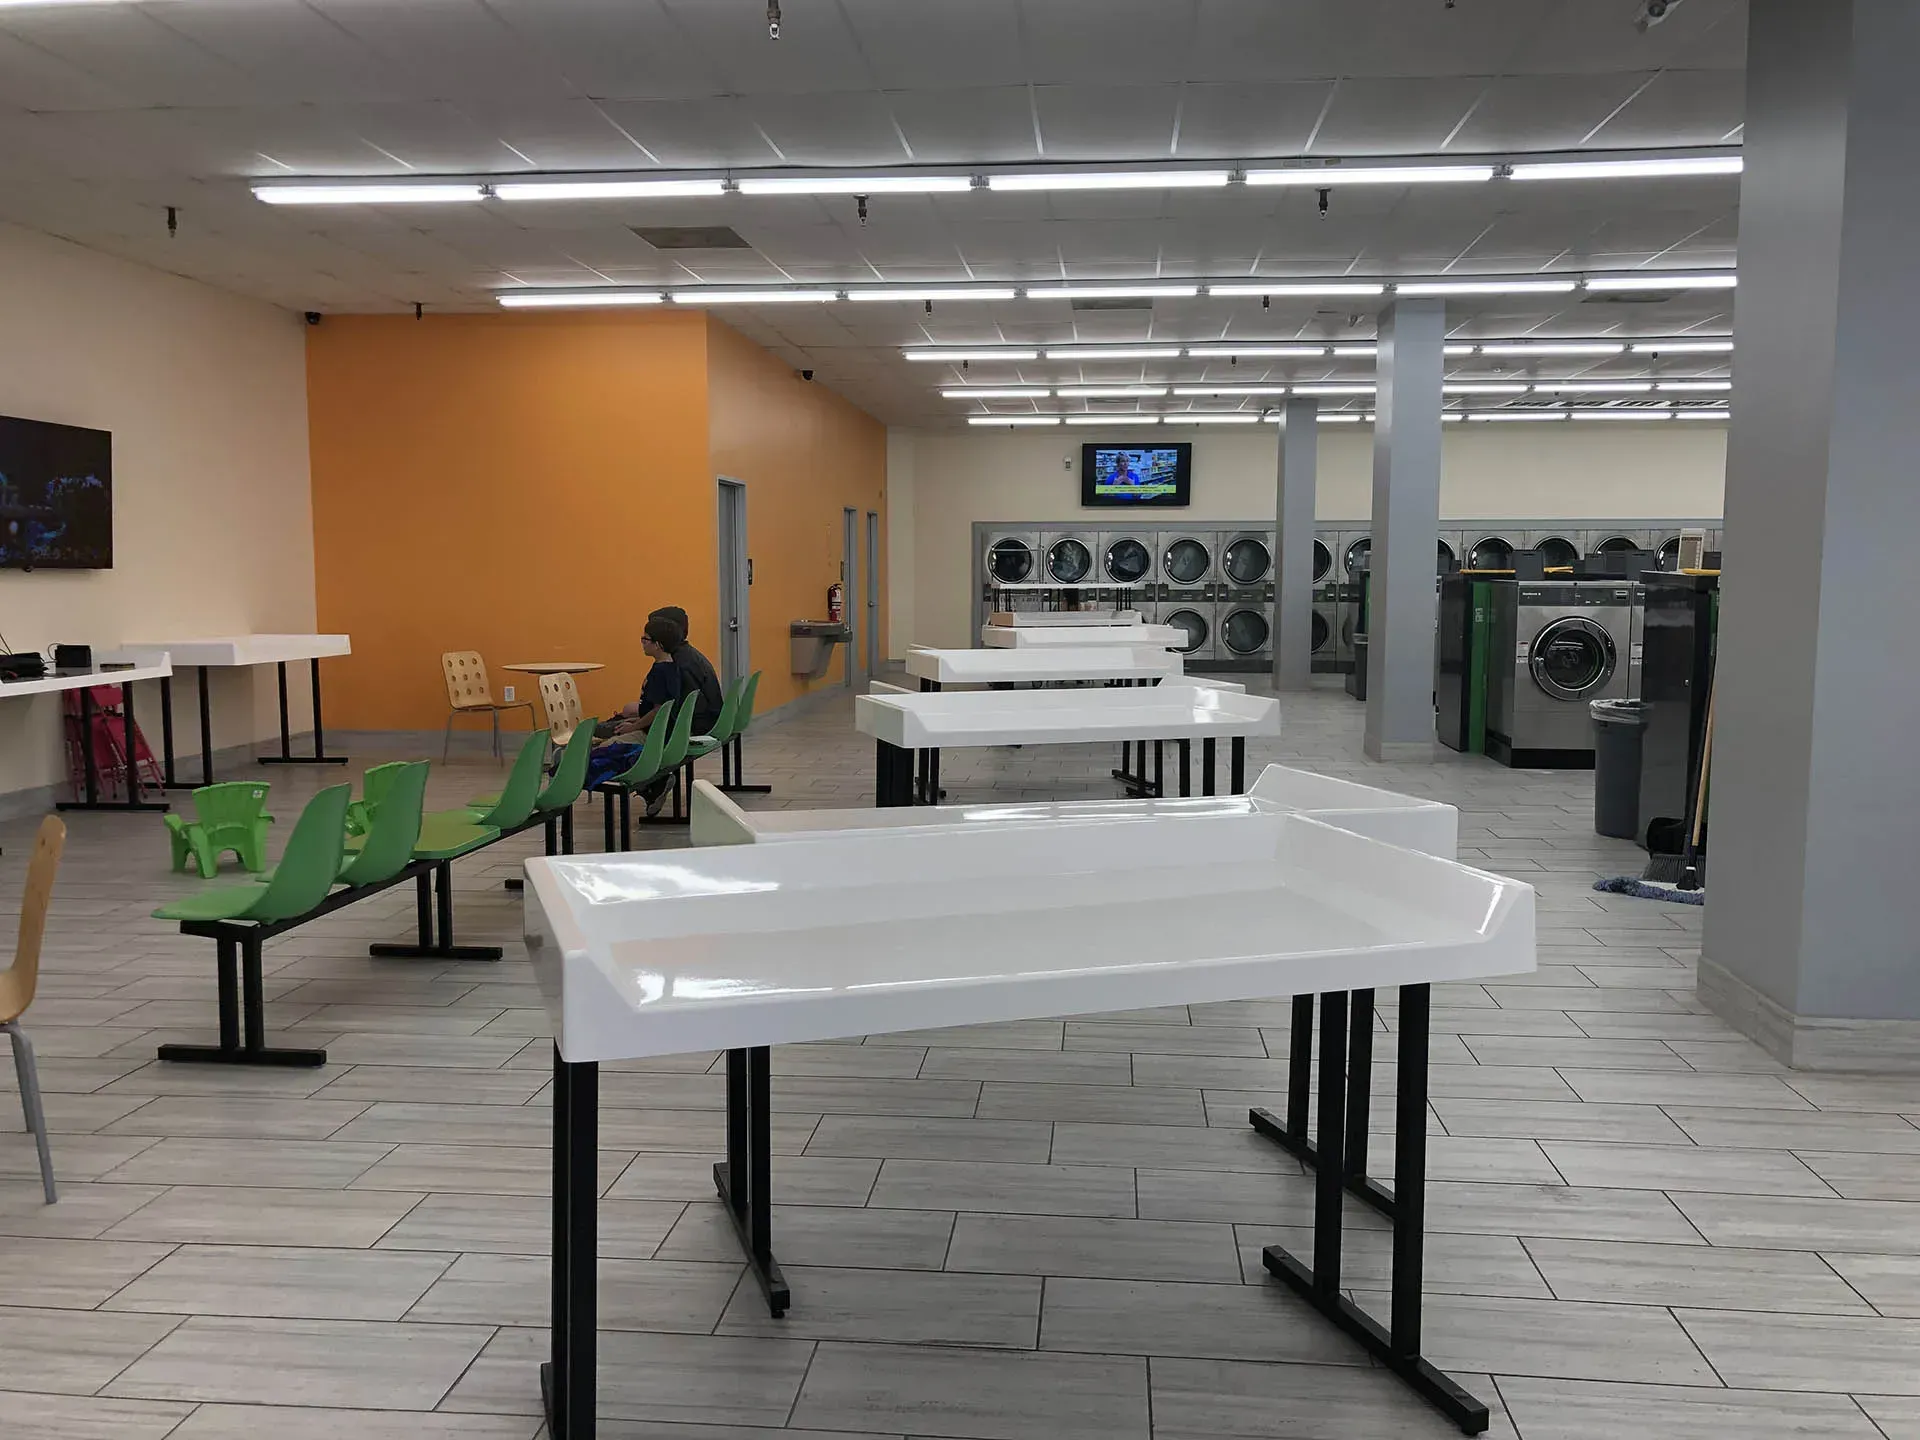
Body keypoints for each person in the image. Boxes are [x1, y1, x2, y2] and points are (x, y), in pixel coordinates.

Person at [583, 616, 685, 799]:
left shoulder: (658, 673)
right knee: (610, 732)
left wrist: (633, 727)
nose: (642, 643)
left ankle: (652, 784)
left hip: (651, 735)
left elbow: (657, 711)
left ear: (658, 644)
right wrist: (636, 720)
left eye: (645, 639)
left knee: (603, 750)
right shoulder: (673, 667)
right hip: (660, 731)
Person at [649, 605, 723, 735]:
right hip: (708, 719)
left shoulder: (676, 664)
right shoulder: (688, 654)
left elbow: (670, 710)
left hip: (695, 726)